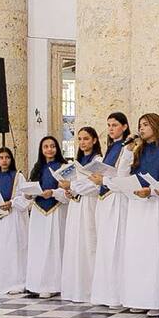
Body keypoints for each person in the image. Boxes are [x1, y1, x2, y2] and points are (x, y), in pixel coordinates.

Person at [120, 113, 159, 314]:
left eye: (145, 125)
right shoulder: (137, 150)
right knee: (136, 252)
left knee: (154, 252)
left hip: (154, 205)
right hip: (137, 205)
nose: (141, 129)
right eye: (140, 125)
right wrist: (127, 150)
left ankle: (154, 301)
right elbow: (122, 175)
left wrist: (151, 191)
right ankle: (138, 298)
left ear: (156, 126)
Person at [90, 113, 134, 308]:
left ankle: (116, 295)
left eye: (115, 125)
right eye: (108, 125)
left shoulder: (127, 147)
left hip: (117, 198)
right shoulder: (111, 147)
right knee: (105, 247)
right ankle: (104, 293)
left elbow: (123, 175)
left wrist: (104, 180)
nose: (110, 129)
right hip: (105, 199)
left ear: (124, 126)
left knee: (116, 246)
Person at [59, 126, 103, 303]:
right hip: (76, 206)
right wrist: (69, 191)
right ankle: (75, 288)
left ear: (94, 140)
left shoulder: (98, 160)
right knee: (75, 245)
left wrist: (73, 186)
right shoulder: (76, 162)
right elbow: (75, 184)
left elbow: (95, 186)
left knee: (89, 244)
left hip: (90, 206)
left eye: (86, 138)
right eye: (80, 139)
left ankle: (90, 289)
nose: (82, 142)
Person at [25, 135, 69, 298]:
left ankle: (53, 284)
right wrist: (29, 194)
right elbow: (30, 187)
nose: (49, 149)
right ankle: (36, 282)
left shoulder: (64, 167)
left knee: (54, 246)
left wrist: (53, 192)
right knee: (39, 247)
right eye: (46, 147)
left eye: (52, 146)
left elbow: (67, 192)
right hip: (38, 212)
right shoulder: (37, 168)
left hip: (55, 210)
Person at [0, 146, 28, 296]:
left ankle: (16, 281)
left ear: (11, 159)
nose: (4, 161)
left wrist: (12, 203)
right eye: (1, 158)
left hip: (13, 218)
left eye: (7, 157)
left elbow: (24, 197)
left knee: (14, 249)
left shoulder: (18, 177)